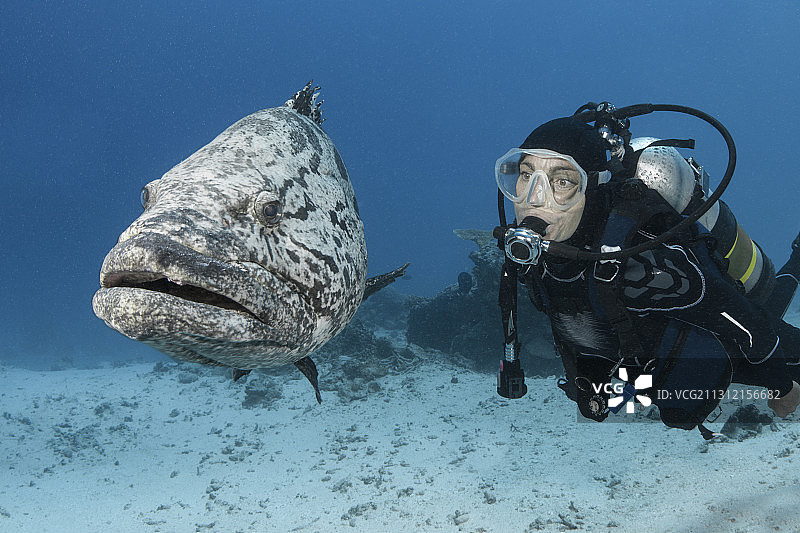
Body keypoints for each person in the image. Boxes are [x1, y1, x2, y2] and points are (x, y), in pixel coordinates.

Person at [493, 105, 800, 437]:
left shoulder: (643, 267)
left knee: (688, 404)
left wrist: (782, 388)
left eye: (562, 180)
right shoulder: (535, 251)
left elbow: (753, 329)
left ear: (592, 188)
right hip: (646, 353)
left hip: (723, 341)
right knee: (598, 406)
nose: (534, 199)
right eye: (525, 175)